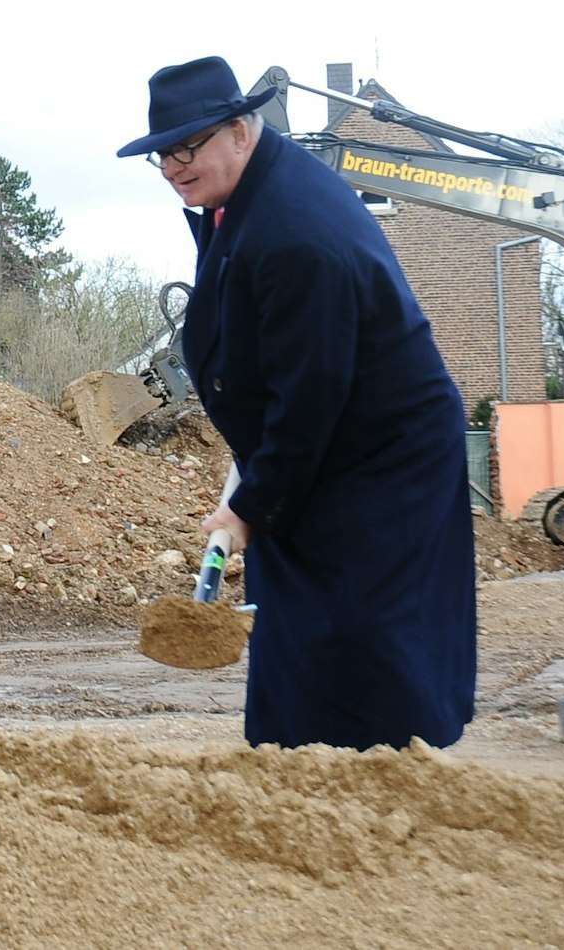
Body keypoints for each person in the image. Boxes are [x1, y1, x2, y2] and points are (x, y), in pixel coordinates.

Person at [116, 56, 477, 750]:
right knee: (304, 625)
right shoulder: (247, 195)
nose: (172, 166)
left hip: (378, 459)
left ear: (241, 133)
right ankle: (300, 766)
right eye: (163, 153)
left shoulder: (295, 231)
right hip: (329, 447)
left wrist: (251, 506)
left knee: (359, 631)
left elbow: (310, 395)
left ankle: (384, 783)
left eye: (187, 147)